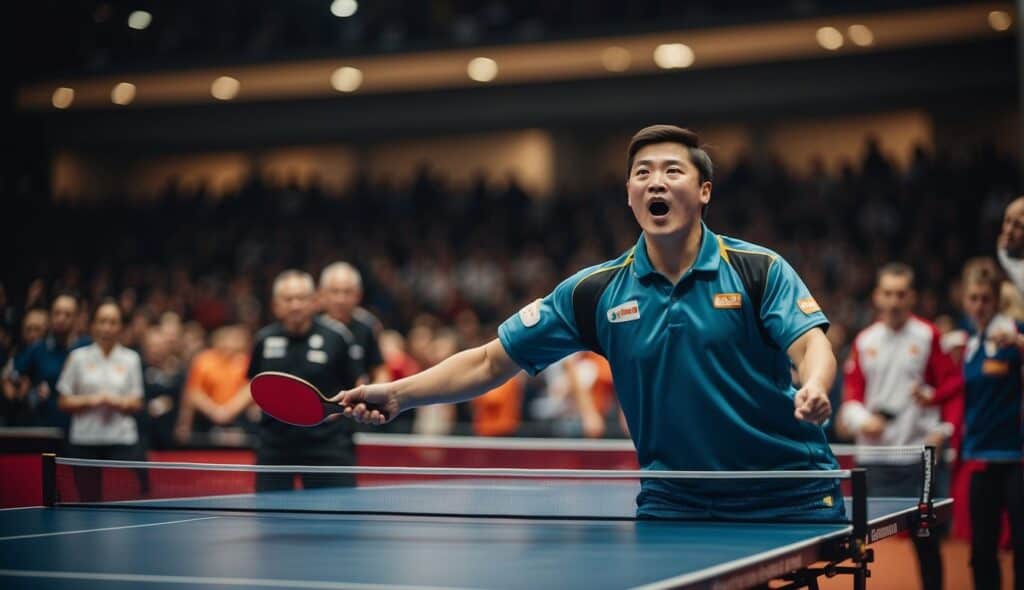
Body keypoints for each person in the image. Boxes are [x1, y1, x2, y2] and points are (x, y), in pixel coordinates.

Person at [335, 125, 838, 521]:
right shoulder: (594, 292)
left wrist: (815, 385)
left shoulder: (757, 269)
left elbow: (810, 345)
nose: (655, 182)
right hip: (676, 500)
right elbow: (490, 360)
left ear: (704, 191)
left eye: (672, 171)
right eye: (642, 173)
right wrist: (399, 394)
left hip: (786, 490)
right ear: (628, 193)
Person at [836, 263, 962, 590]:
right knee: (862, 546)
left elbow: (951, 388)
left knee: (927, 540)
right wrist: (865, 421)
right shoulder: (865, 341)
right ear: (877, 297)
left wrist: (944, 431)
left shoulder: (928, 335)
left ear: (912, 298)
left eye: (901, 294)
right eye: (888, 294)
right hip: (874, 461)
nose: (894, 301)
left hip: (916, 458)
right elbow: (850, 400)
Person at [248, 270, 362, 490]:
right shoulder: (264, 339)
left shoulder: (336, 338)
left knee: (339, 518)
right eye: (288, 299)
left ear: (314, 301)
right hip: (275, 445)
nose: (295, 305)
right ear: (275, 304)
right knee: (270, 518)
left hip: (328, 445)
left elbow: (355, 386)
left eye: (302, 298)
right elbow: (254, 384)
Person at [957, 259, 1023, 590]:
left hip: (1016, 460)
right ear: (965, 300)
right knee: (981, 551)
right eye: (974, 298)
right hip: (980, 458)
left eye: (986, 298)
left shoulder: (1013, 332)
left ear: (996, 300)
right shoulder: (969, 346)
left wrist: (1020, 343)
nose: (980, 305)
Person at [56, 300, 145, 500]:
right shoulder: (77, 358)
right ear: (93, 325)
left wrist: (118, 401)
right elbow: (63, 401)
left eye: (113, 322)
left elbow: (138, 402)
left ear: (120, 326)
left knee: (123, 505)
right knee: (87, 502)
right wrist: (92, 400)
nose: (107, 327)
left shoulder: (131, 359)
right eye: (102, 321)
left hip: (121, 442)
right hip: (84, 442)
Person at [10, 293, 89, 430]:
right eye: (57, 313)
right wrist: (31, 392)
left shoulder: (86, 348)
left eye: (67, 314)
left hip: (80, 429)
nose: (61, 319)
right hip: (45, 427)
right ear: (50, 316)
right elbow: (12, 375)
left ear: (76, 318)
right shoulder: (37, 349)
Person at [174, 325, 251, 444]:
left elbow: (249, 390)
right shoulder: (204, 360)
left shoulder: (245, 362)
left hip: (238, 420)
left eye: (236, 339)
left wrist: (229, 411)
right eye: (227, 339)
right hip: (206, 421)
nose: (230, 344)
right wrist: (184, 424)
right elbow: (192, 392)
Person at [318, 262, 389, 384]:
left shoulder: (367, 327)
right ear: (322, 293)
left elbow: (380, 372)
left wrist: (373, 396)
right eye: (335, 291)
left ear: (358, 295)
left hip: (358, 399)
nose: (341, 299)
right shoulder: (311, 326)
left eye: (347, 292)